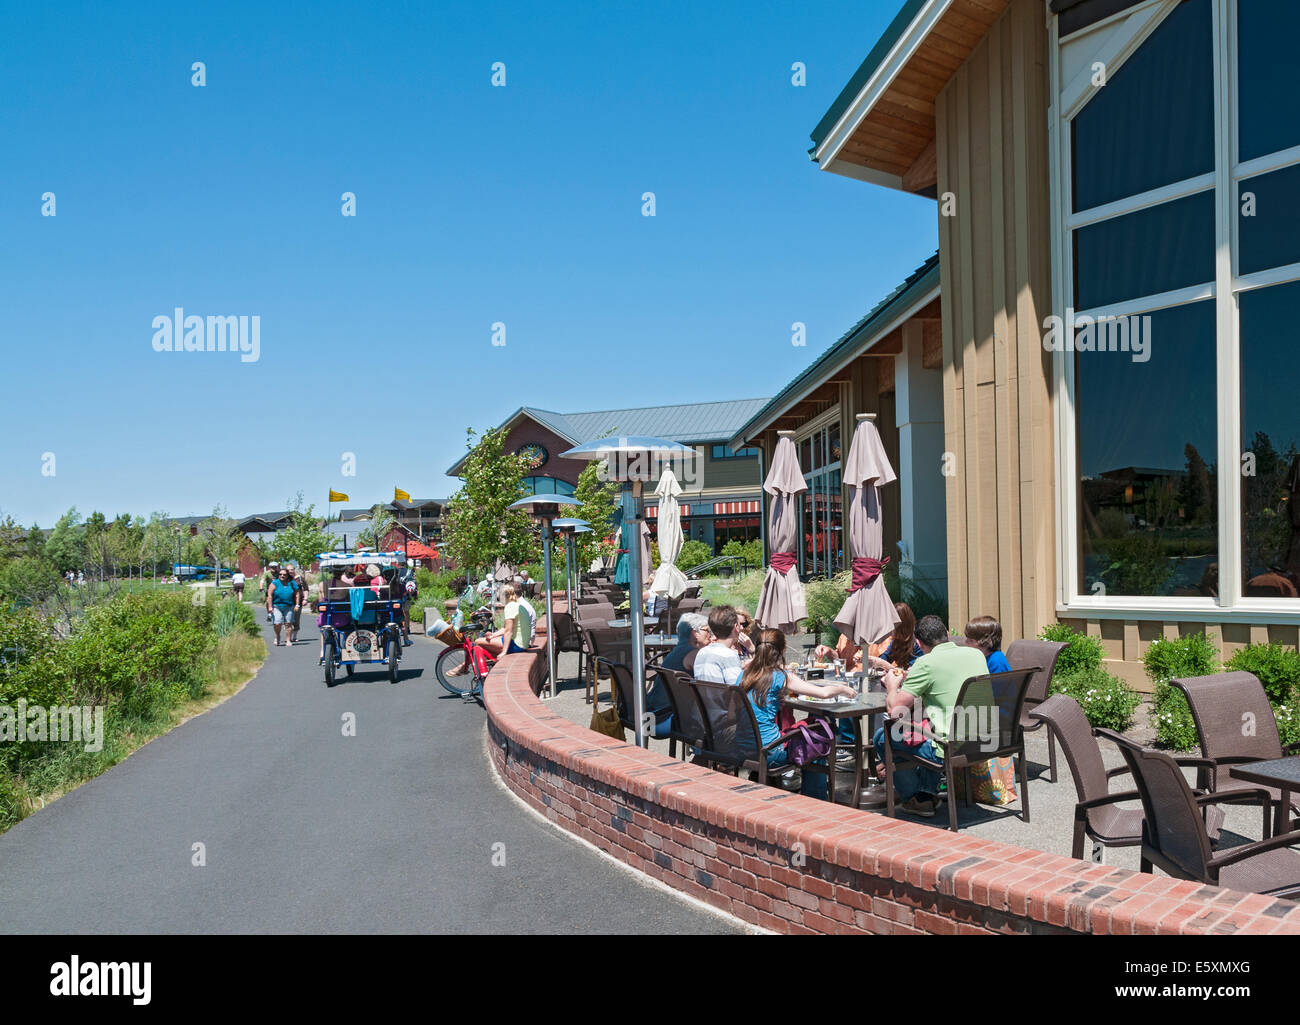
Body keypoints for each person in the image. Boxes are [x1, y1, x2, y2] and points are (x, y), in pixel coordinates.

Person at [872, 614, 989, 818]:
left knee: (883, 736)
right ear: (946, 634)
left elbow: (894, 710)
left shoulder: (925, 663)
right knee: (928, 727)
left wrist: (892, 685)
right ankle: (926, 794)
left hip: (950, 746)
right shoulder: (976, 654)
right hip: (985, 739)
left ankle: (914, 797)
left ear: (919, 643)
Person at [741, 628, 855, 800]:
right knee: (816, 743)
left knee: (803, 733)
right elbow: (823, 693)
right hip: (770, 751)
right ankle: (814, 801)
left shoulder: (744, 674)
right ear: (783, 650)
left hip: (742, 747)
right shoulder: (780, 676)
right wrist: (843, 688)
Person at [475, 583, 536, 659]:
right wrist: (493, 635)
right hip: (523, 644)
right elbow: (505, 629)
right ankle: (493, 662)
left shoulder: (510, 606)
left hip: (517, 645)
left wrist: (504, 651)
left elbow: (508, 631)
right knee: (489, 641)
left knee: (478, 641)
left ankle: (481, 669)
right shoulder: (519, 606)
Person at [693, 605, 744, 686]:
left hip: (704, 698)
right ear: (736, 627)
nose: (742, 628)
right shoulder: (729, 655)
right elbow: (737, 689)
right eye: (740, 624)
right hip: (722, 698)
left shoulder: (702, 652)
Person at [266, 567, 298, 647]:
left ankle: (288, 640)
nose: (282, 576)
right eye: (280, 574)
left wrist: (297, 604)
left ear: (287, 575)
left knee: (288, 623)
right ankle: (278, 636)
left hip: (289, 606)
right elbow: (269, 595)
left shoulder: (292, 583)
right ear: (278, 575)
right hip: (277, 606)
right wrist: (270, 607)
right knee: (277, 623)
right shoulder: (275, 583)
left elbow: (297, 594)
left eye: (284, 574)